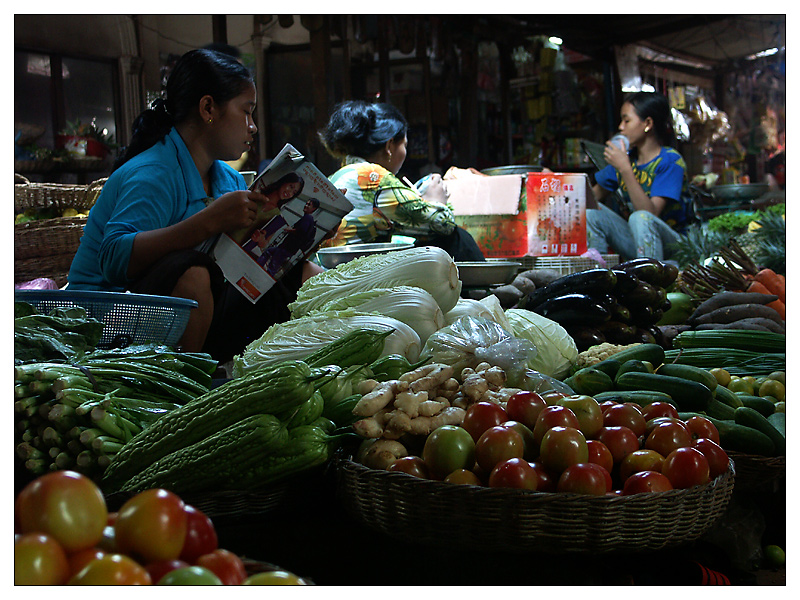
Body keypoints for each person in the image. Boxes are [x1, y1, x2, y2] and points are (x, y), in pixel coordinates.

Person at [67, 48, 324, 362]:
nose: (252, 126)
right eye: (246, 112)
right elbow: (113, 259)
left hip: (192, 313)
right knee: (194, 273)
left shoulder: (228, 180)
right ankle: (184, 390)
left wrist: (290, 247)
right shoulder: (153, 173)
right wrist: (209, 221)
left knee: (302, 274)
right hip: (104, 321)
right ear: (208, 108)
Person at [318, 100, 485, 261]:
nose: (405, 152)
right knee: (456, 237)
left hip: (332, 270)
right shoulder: (372, 176)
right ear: (389, 146)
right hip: (351, 275)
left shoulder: (338, 175)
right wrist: (437, 200)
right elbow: (443, 224)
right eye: (404, 145)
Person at [586, 91, 693, 261]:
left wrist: (625, 169)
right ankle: (598, 274)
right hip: (639, 245)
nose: (621, 127)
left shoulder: (671, 161)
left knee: (640, 217)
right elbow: (588, 200)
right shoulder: (627, 160)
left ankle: (649, 280)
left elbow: (650, 214)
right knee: (591, 212)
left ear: (648, 123)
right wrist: (557, 182)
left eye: (627, 120)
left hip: (676, 248)